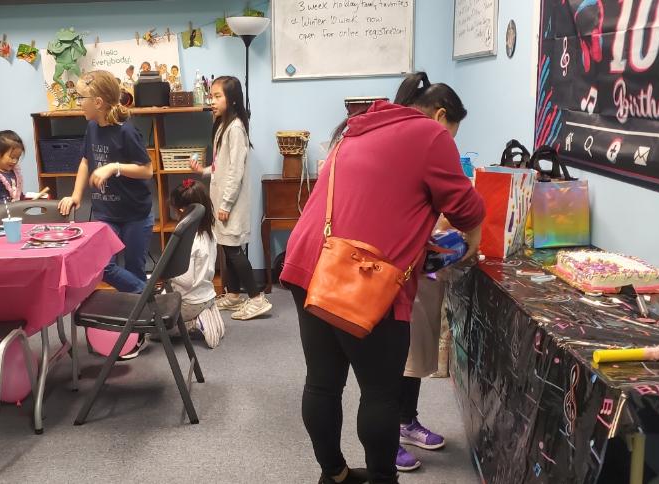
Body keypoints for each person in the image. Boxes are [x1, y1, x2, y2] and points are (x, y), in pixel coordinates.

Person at [279, 72, 485, 484]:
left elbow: (376, 202)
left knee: (322, 383)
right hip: (363, 276)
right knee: (380, 393)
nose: (451, 142)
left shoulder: (359, 127)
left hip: (310, 262)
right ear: (440, 116)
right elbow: (466, 208)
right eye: (453, 132)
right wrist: (473, 243)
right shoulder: (431, 134)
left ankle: (334, 475)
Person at [58, 70, 154, 295]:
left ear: (98, 102)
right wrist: (75, 195)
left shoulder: (126, 130)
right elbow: (85, 161)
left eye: (81, 98)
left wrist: (114, 167)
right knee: (102, 265)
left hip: (135, 214)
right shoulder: (92, 127)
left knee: (135, 269)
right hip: (106, 214)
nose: (78, 103)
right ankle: (148, 296)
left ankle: (140, 314)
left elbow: (147, 170)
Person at [190, 76, 271, 321]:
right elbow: (221, 165)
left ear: (232, 100)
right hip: (221, 201)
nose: (212, 101)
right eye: (211, 96)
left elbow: (236, 171)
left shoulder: (235, 128)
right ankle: (234, 294)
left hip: (230, 203)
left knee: (234, 250)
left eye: (217, 96)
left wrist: (225, 204)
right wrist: (203, 170)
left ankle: (256, 298)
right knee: (227, 247)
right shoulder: (223, 126)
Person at [167, 179, 225, 348]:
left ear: (182, 211)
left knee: (155, 329)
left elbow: (187, 281)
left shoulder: (189, 242)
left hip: (190, 302)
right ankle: (207, 312)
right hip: (207, 295)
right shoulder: (209, 233)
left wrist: (167, 274)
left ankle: (194, 323)